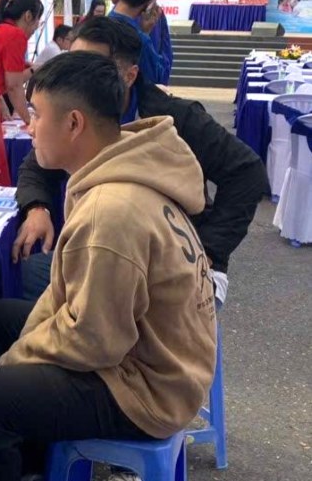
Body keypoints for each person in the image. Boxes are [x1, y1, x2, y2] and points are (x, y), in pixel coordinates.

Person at [0, 51, 217, 481]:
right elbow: (69, 298)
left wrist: (17, 358)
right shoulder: (128, 168)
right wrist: (26, 348)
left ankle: (17, 447)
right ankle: (32, 459)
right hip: (151, 354)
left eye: (37, 115)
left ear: (73, 123)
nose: (29, 127)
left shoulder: (112, 210)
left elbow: (95, 342)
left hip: (148, 390)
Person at [14, 16, 270, 306]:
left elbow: (248, 172)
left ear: (129, 75)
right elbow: (35, 165)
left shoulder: (172, 119)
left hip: (168, 265)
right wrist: (37, 207)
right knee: (20, 275)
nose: (75, 77)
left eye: (92, 66)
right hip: (111, 251)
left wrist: (208, 249)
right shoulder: (74, 113)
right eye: (72, 63)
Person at [99, 0, 172, 84]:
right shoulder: (143, 36)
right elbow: (159, 78)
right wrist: (144, 35)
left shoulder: (100, 26)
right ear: (150, 0)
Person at [0, 0, 44, 125]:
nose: (36, 27)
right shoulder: (15, 35)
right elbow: (14, 85)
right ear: (28, 16)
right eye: (37, 20)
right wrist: (30, 122)